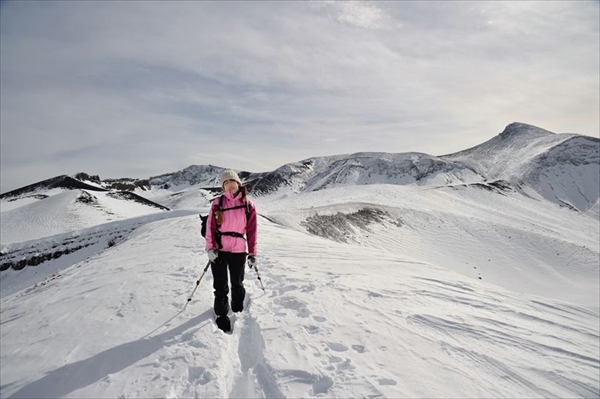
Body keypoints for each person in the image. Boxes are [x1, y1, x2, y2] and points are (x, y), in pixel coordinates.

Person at [204, 168, 258, 332]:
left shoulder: (248, 205)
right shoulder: (217, 203)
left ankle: (238, 306)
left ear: (238, 183)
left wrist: (252, 253)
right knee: (220, 285)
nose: (229, 185)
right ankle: (221, 315)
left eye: (231, 181)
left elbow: (252, 231)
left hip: (239, 250)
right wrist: (210, 248)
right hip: (219, 249)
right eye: (225, 183)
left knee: (237, 282)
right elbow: (210, 228)